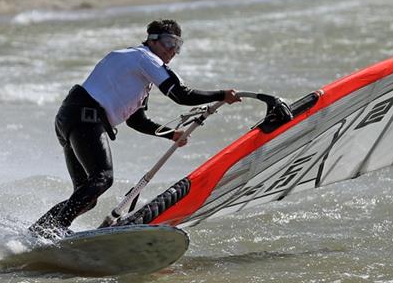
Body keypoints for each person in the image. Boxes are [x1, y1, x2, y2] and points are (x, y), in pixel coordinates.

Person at [30, 19, 240, 238]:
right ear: (152, 40)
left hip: (71, 117)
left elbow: (136, 121)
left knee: (86, 196)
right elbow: (181, 94)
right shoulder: (145, 58)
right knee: (102, 178)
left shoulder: (139, 70)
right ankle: (54, 233)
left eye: (178, 46)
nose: (173, 51)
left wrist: (172, 135)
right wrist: (222, 95)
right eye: (169, 43)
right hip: (85, 116)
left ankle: (38, 231)